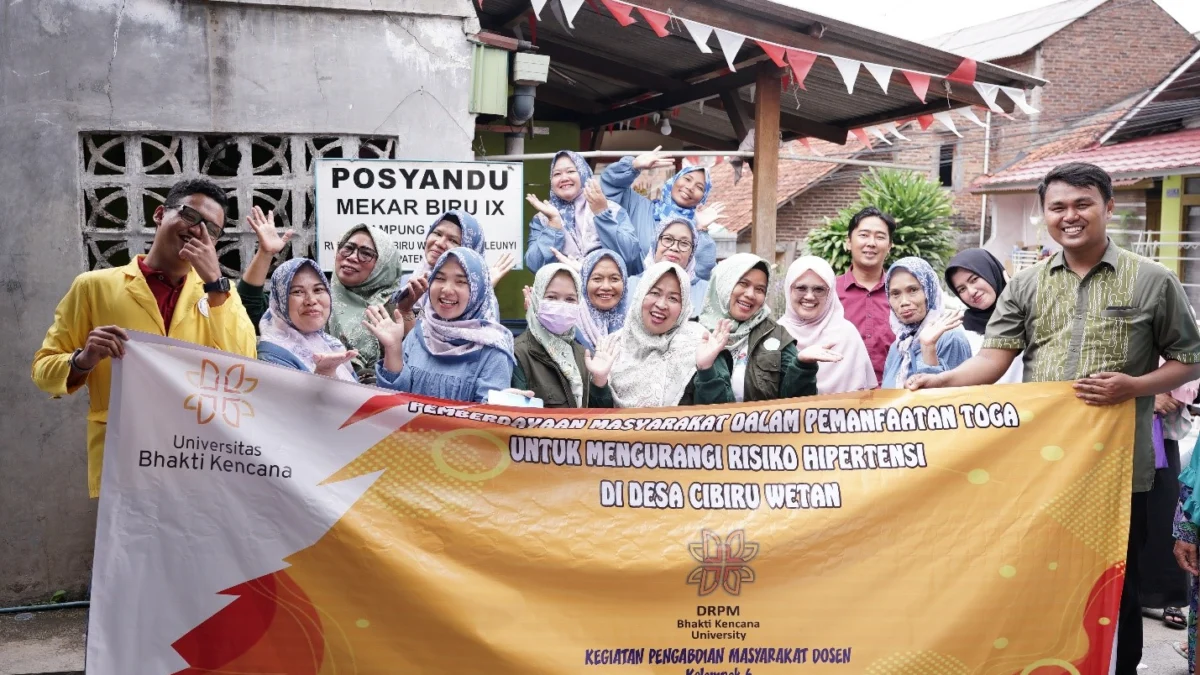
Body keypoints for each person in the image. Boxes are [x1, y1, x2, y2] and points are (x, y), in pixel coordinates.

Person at [908, 162, 1200, 674]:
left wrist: (1136, 387)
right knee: (1043, 581)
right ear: (1045, 214)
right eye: (1058, 207)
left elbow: (1190, 359)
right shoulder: (1025, 286)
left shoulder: (1153, 281)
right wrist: (941, 380)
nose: (1070, 216)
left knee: (1117, 587)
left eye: (1083, 204)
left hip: (1119, 472)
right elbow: (993, 359)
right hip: (1043, 469)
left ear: (1108, 207)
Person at [32, 178, 258, 497]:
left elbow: (245, 369)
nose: (197, 231)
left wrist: (215, 283)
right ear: (159, 214)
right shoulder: (94, 287)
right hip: (124, 461)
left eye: (212, 229)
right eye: (190, 216)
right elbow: (42, 371)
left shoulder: (222, 293)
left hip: (198, 461)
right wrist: (83, 360)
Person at [698, 253, 833, 402]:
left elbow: (796, 404)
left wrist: (803, 366)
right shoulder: (695, 333)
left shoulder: (775, 334)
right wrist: (706, 370)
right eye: (743, 283)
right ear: (724, 283)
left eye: (760, 289)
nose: (750, 294)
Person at [387, 248, 515, 403]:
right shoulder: (420, 332)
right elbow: (391, 405)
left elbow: (487, 420)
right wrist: (392, 349)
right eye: (439, 278)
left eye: (461, 281)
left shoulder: (492, 350)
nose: (446, 290)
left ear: (478, 290)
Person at [255, 257, 407, 387]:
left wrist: (392, 348)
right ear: (279, 300)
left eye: (318, 290)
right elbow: (287, 416)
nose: (311, 300)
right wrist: (323, 375)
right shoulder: (272, 356)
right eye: (297, 292)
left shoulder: (331, 344)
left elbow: (369, 405)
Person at [606, 261, 734, 407]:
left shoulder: (701, 343)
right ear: (640, 294)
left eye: (673, 298)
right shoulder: (613, 345)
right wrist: (599, 383)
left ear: (684, 306)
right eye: (654, 293)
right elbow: (591, 419)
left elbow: (722, 418)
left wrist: (706, 371)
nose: (661, 305)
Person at [599, 147, 721, 278]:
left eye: (699, 187)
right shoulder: (640, 207)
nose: (690, 187)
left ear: (703, 197)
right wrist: (633, 166)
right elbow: (608, 187)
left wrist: (701, 229)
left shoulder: (695, 230)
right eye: (687, 179)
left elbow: (703, 274)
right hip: (632, 289)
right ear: (674, 180)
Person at [512, 263, 616, 408]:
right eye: (551, 297)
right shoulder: (517, 354)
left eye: (570, 299)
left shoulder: (582, 354)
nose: (561, 305)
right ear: (536, 299)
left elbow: (598, 421)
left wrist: (599, 380)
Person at [523, 151, 640, 272]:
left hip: (604, 287)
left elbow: (630, 254)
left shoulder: (611, 208)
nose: (564, 178)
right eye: (557, 174)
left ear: (583, 173)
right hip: (564, 289)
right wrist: (553, 225)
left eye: (571, 171)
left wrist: (602, 214)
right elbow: (534, 265)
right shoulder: (543, 217)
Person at [779, 256, 878, 394]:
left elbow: (868, 396)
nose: (809, 296)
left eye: (819, 289)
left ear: (830, 293)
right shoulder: (776, 334)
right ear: (789, 289)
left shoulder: (846, 334)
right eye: (801, 288)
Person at [327, 224, 407, 384]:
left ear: (383, 264)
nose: (352, 257)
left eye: (366, 254)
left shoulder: (396, 307)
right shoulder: (318, 299)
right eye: (347, 248)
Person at [394, 209, 510, 319]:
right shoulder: (406, 283)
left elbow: (457, 331)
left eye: (453, 240)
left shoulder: (483, 299)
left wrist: (479, 293)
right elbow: (415, 326)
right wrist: (406, 308)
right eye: (437, 234)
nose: (440, 243)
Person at [880, 257, 970, 389]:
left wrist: (928, 349)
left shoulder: (950, 337)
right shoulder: (899, 346)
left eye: (913, 290)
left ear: (930, 290)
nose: (904, 301)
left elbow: (955, 401)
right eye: (895, 293)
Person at [836, 206, 897, 385]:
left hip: (894, 399)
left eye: (880, 237)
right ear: (848, 242)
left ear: (889, 246)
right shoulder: (828, 292)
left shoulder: (902, 294)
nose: (871, 243)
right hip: (839, 398)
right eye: (863, 235)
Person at [944, 249, 1024, 384]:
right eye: (962, 289)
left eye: (974, 279)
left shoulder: (1027, 311)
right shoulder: (962, 330)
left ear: (991, 272)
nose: (972, 291)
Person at [626, 217, 709, 319]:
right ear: (655, 244)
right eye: (668, 239)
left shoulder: (705, 290)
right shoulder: (630, 285)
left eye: (684, 243)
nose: (674, 248)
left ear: (691, 253)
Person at [577, 249, 629, 351]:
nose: (606, 287)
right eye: (597, 279)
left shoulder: (635, 324)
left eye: (614, 279)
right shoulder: (571, 325)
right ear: (584, 282)